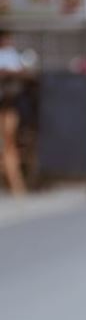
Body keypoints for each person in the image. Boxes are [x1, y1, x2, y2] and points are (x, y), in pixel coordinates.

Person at [0, 28, 27, 196]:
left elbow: (21, 71)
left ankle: (15, 183)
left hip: (9, 104)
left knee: (9, 144)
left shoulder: (12, 55)